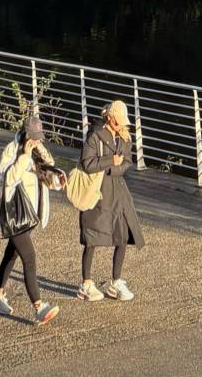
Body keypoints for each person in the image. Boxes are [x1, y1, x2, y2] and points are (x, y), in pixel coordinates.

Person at [0, 112, 62, 324]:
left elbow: (47, 169)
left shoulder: (36, 150)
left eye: (39, 138)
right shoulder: (11, 151)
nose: (37, 141)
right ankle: (39, 307)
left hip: (31, 215)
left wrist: (53, 173)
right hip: (16, 213)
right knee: (29, 258)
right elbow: (7, 180)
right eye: (34, 137)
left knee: (11, 255)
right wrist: (24, 157)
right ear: (25, 134)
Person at [75, 98, 145, 301]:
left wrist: (114, 168)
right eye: (117, 121)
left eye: (122, 121)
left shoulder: (125, 136)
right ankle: (86, 283)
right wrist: (110, 162)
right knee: (92, 237)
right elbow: (87, 163)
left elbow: (127, 161)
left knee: (122, 235)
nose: (120, 125)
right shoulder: (95, 135)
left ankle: (116, 281)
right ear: (110, 117)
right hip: (97, 192)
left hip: (118, 191)